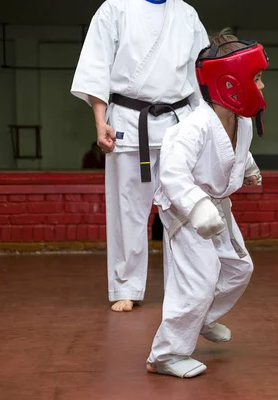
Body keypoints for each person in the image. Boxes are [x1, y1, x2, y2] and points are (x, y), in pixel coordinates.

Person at [70, 0, 209, 312]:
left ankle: (185, 284)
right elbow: (96, 66)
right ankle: (126, 286)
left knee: (181, 209)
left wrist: (205, 126)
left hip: (179, 122)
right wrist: (100, 121)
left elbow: (200, 75)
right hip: (130, 121)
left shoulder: (186, 13)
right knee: (127, 208)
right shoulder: (115, 9)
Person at [146, 31, 267, 378]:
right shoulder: (193, 126)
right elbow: (171, 173)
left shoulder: (241, 120)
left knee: (238, 269)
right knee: (198, 280)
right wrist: (198, 207)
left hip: (217, 206)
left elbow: (236, 154)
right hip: (187, 210)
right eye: (256, 79)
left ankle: (202, 317)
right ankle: (166, 354)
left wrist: (249, 168)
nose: (262, 86)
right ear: (231, 83)